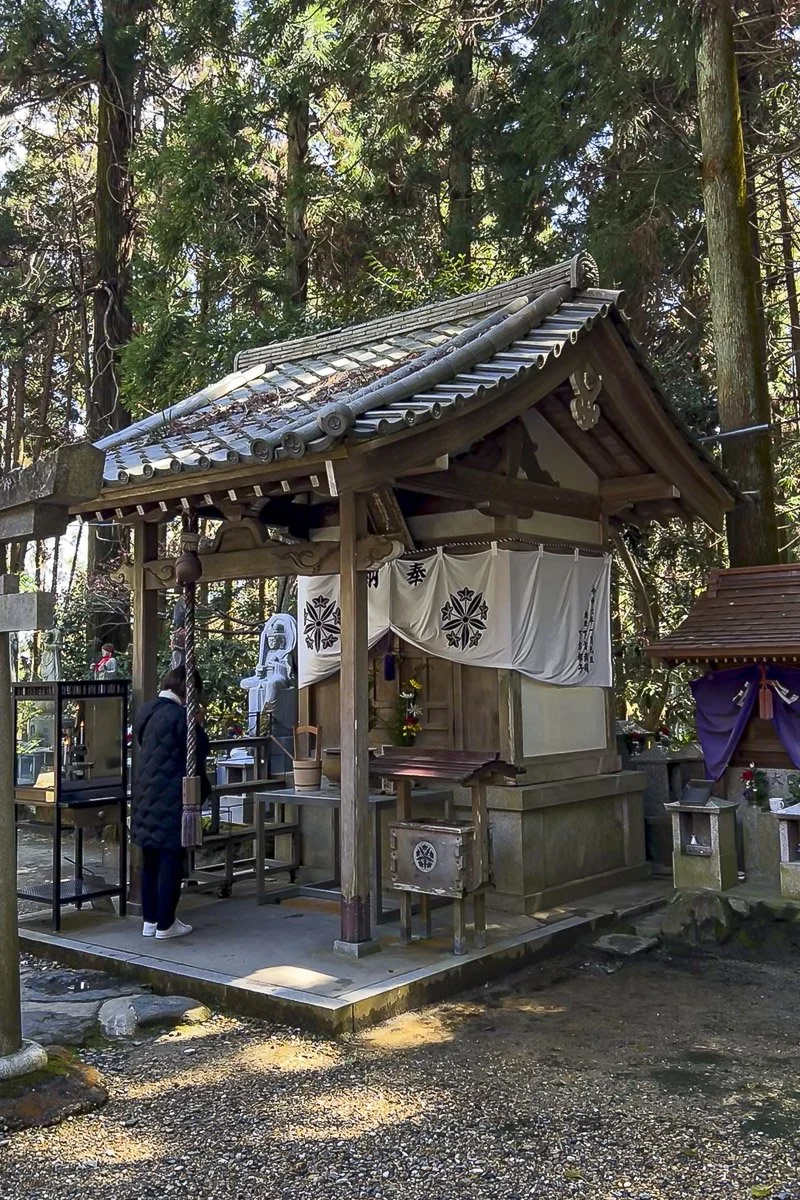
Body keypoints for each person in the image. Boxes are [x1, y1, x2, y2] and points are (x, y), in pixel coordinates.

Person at [131, 666, 210, 940]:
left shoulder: (147, 710)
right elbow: (199, 748)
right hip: (171, 795)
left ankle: (149, 919)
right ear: (187, 690)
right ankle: (166, 923)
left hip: (145, 792)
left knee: (150, 857)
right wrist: (198, 725)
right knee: (170, 859)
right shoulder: (180, 716)